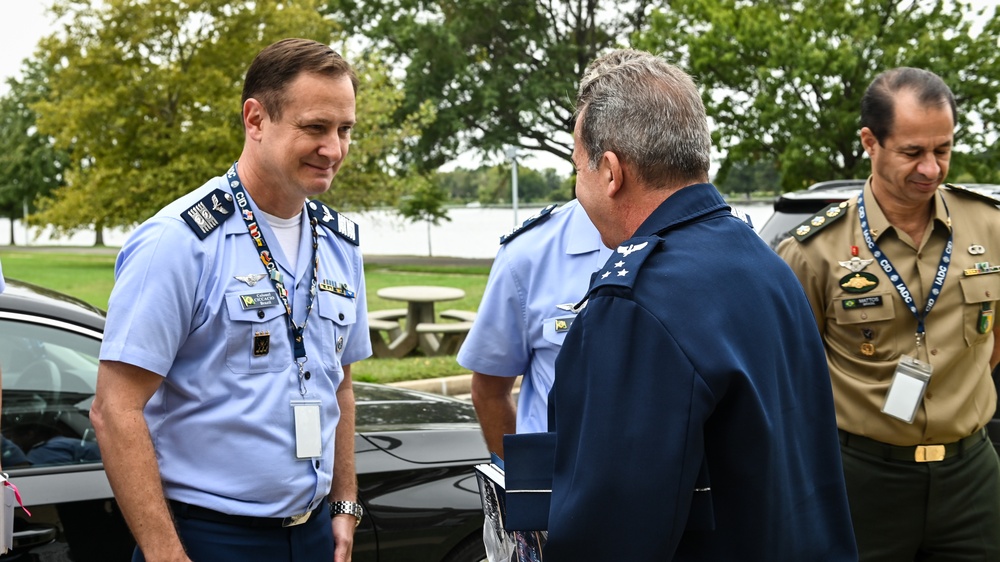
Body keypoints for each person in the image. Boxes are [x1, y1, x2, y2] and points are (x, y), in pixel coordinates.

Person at [542, 49, 857, 561]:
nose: (577, 187)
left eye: (577, 168)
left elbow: (609, 528)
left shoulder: (636, 304)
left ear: (611, 172)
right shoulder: (766, 266)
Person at [91, 38, 371, 562]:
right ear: (256, 119)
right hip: (208, 540)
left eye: (344, 129)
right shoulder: (179, 242)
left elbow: (342, 383)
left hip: (313, 536)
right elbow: (115, 408)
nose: (333, 148)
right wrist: (164, 553)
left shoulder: (341, 243)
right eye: (314, 127)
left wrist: (345, 504)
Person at [777, 67, 1000, 560]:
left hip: (971, 477)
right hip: (862, 480)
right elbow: (791, 375)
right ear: (870, 142)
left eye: (942, 150)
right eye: (912, 152)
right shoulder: (814, 250)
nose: (931, 169)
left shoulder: (990, 225)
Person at [458, 199, 610, 457]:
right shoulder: (530, 251)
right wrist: (523, 483)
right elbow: (489, 390)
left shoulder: (698, 241)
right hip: (556, 490)